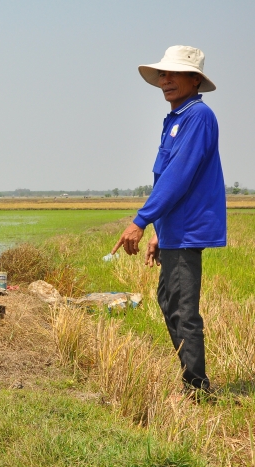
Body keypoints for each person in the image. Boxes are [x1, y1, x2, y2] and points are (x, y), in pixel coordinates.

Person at [112, 45, 226, 394]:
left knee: (183, 310)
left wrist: (142, 219)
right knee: (169, 301)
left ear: (195, 80)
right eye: (163, 74)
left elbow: (178, 175)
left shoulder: (197, 117)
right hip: (175, 229)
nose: (166, 80)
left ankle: (197, 389)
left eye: (174, 74)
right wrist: (159, 230)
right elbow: (166, 178)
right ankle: (193, 382)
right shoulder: (176, 119)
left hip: (190, 229)